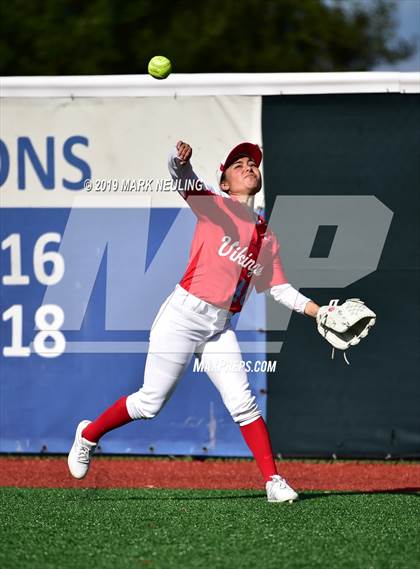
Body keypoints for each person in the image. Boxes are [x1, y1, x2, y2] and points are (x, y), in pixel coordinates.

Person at [68, 140, 321, 503]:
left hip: (219, 328)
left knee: (244, 402)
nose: (249, 167)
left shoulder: (266, 236)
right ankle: (88, 435)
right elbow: (182, 178)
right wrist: (178, 160)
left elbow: (279, 288)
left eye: (252, 163)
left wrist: (320, 312)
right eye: (238, 166)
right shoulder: (215, 207)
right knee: (149, 403)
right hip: (183, 316)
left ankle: (273, 481)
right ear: (224, 184)